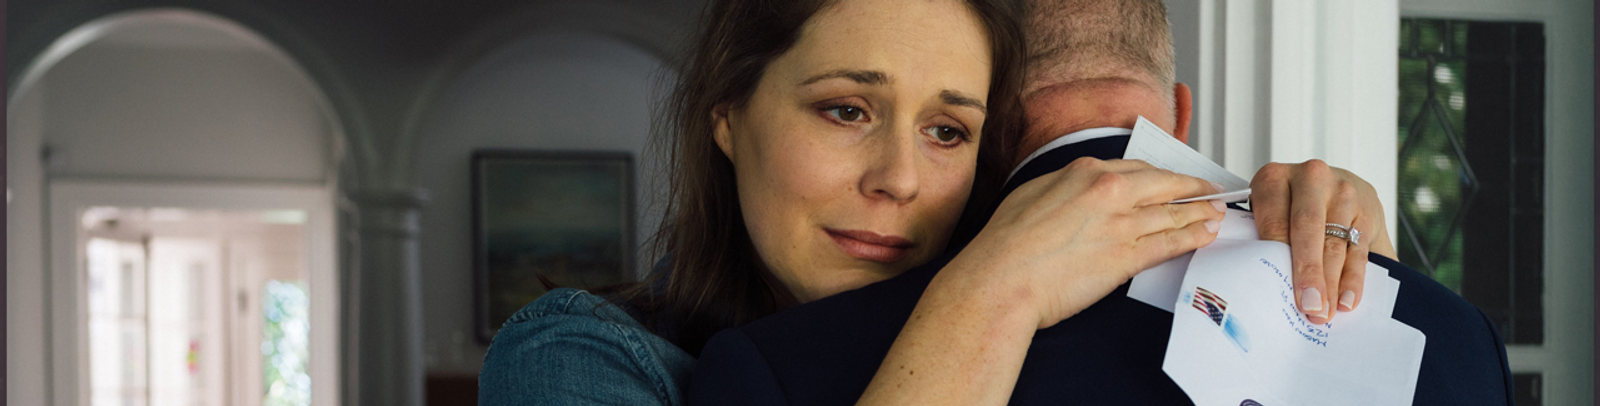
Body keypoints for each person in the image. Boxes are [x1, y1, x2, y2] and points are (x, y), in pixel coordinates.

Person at [687, 1, 1513, 405]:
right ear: (1178, 114)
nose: (896, 180)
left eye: (941, 129)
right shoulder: (1456, 336)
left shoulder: (777, 366)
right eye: (845, 111)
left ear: (990, 131)